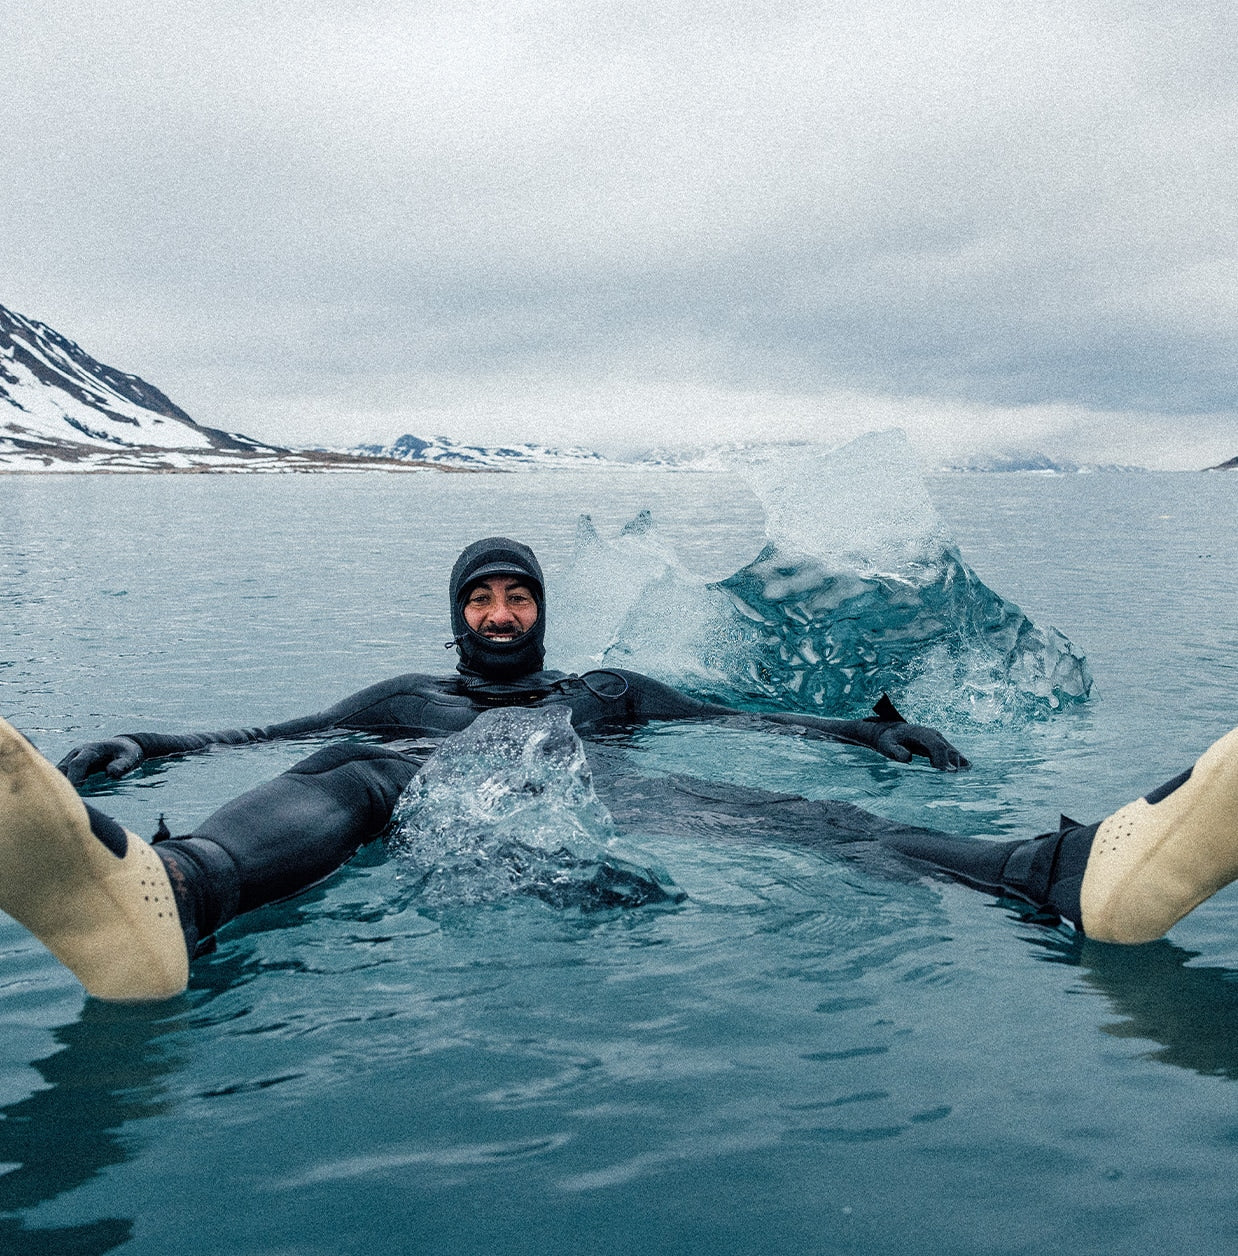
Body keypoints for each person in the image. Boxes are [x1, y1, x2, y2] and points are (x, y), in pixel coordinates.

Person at [1, 537, 1236, 1003]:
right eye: (479, 595)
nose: (497, 609)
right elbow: (261, 736)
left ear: (539, 610)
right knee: (345, 764)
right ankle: (175, 894)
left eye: (515, 592)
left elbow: (745, 725)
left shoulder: (602, 694)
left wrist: (864, 733)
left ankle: (1055, 872)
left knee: (785, 816)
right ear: (457, 616)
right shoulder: (399, 703)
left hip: (588, 785)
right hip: (398, 787)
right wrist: (149, 743)